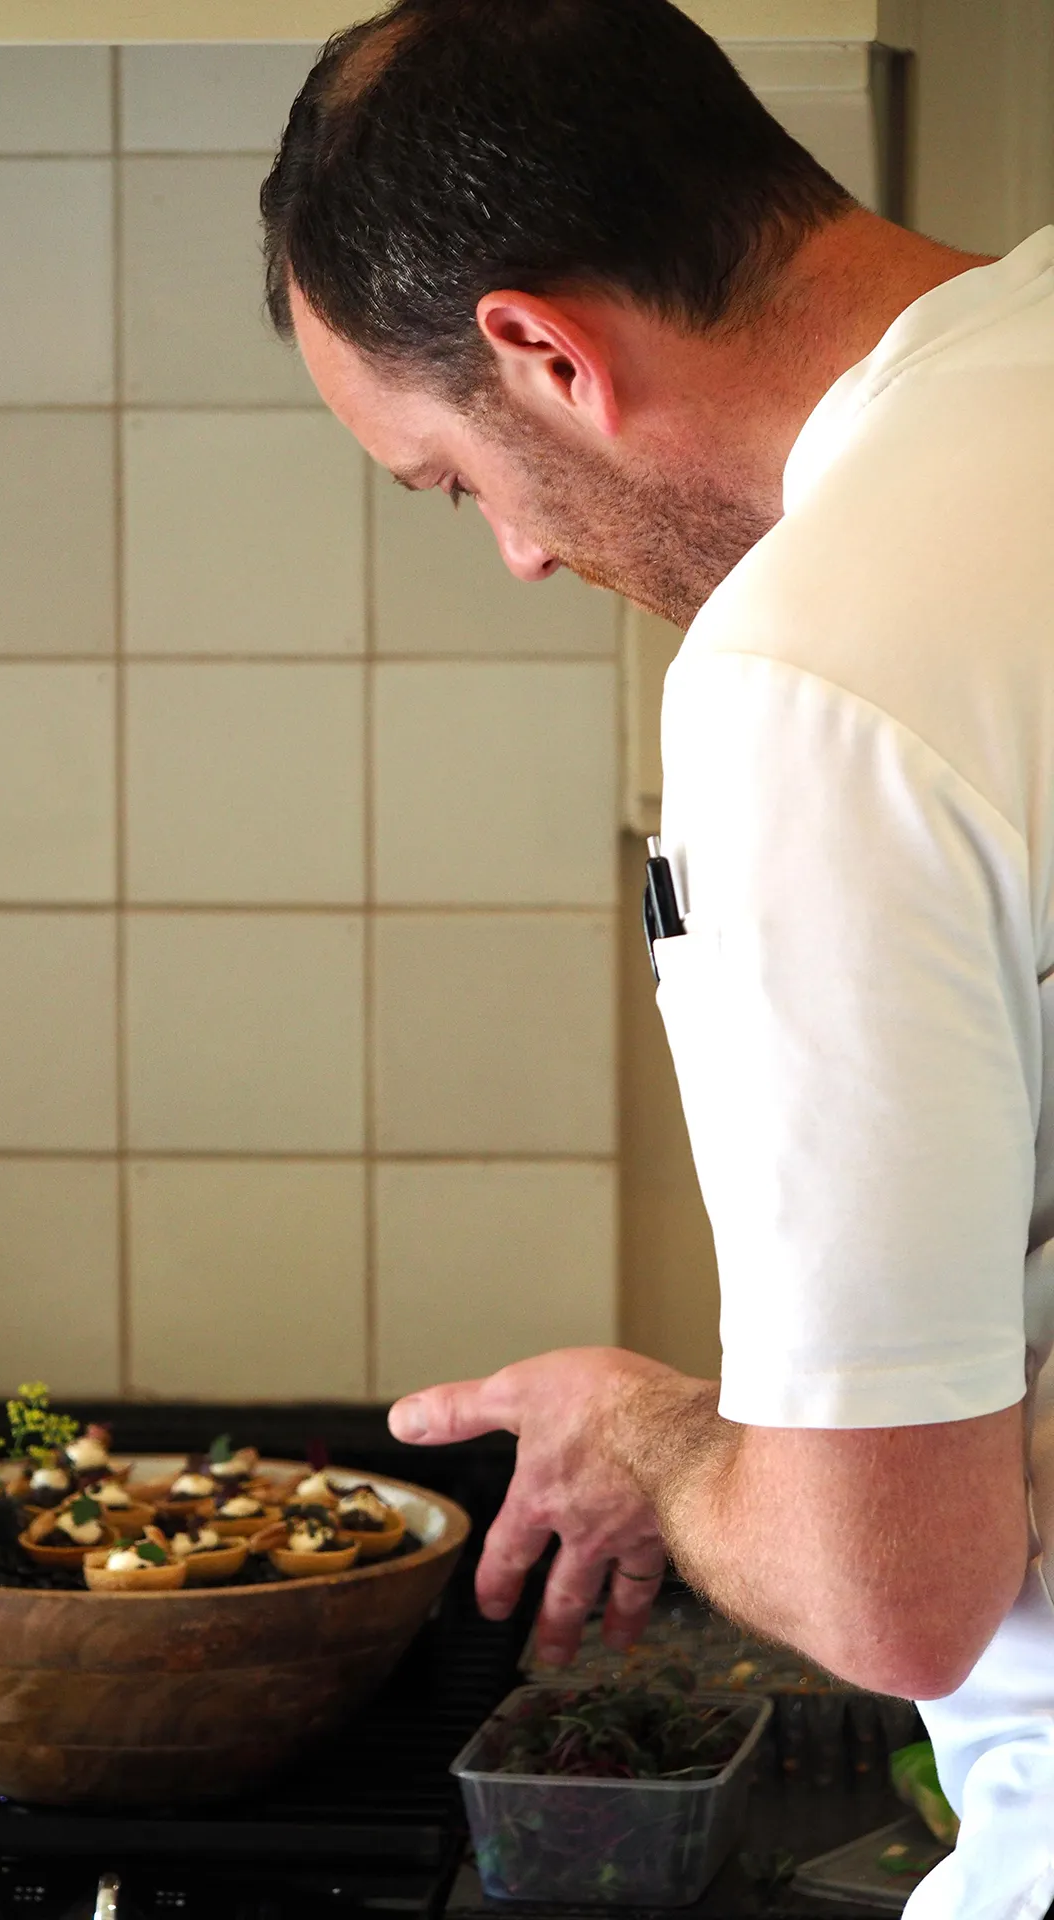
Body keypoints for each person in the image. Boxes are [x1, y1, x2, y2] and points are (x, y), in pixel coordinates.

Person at [261, 1, 1054, 1913]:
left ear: (540, 350)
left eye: (455, 482)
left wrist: (655, 1435)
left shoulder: (815, 676)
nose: (523, 554)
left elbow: (896, 1596)